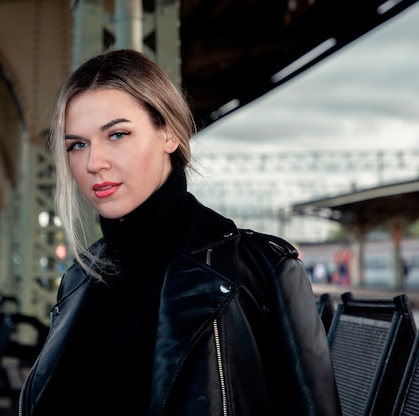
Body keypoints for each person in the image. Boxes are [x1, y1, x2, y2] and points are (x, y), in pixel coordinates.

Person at [19, 49, 341, 416]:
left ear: (170, 133)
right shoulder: (78, 281)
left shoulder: (260, 271)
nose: (94, 163)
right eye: (78, 145)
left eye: (118, 134)